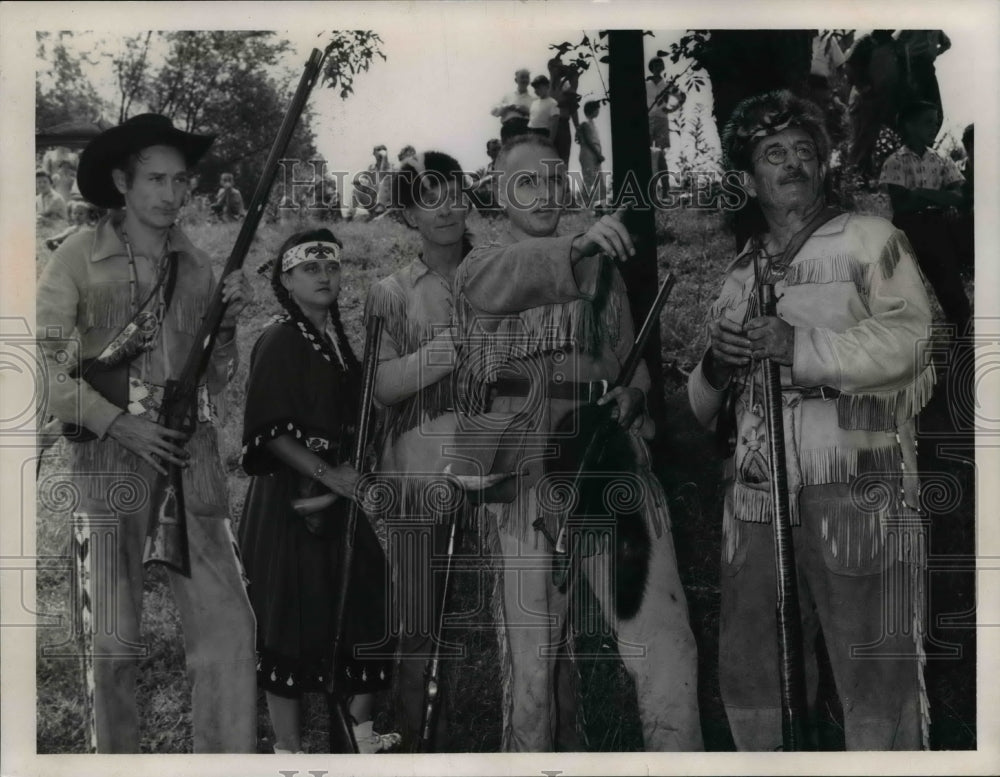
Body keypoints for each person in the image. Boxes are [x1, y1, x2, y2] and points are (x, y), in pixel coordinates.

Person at [689, 90, 935, 750]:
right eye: (774, 153)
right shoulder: (740, 273)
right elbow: (699, 405)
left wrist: (801, 350)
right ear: (747, 179)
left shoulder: (869, 239)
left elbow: (915, 342)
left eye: (804, 149)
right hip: (756, 496)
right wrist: (718, 363)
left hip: (856, 477)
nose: (794, 162)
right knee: (753, 671)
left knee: (874, 671)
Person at [452, 133, 704, 752]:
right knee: (532, 673)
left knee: (665, 648)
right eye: (526, 182)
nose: (544, 193)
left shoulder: (603, 273)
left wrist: (634, 395)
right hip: (525, 493)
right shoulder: (478, 267)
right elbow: (506, 283)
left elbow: (628, 361)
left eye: (554, 179)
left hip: (610, 477)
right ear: (497, 192)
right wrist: (580, 244)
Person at [35, 113, 257, 753]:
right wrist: (115, 422)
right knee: (112, 641)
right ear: (121, 183)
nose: (171, 193)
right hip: (109, 460)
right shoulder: (78, 256)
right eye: (156, 179)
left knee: (231, 633)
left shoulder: (199, 264)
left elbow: (216, 377)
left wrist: (231, 324)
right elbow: (36, 363)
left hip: (190, 459)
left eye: (181, 180)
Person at [238, 228, 399, 754]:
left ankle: (361, 734)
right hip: (288, 498)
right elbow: (269, 429)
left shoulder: (335, 338)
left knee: (363, 596)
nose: (325, 275)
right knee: (288, 618)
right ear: (287, 279)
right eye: (311, 268)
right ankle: (288, 751)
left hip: (339, 491)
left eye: (331, 266)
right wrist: (328, 475)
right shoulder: (280, 338)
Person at [363, 150, 474, 751]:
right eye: (429, 197)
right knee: (416, 618)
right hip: (418, 465)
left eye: (454, 191)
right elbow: (378, 386)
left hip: (504, 464)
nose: (448, 207)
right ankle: (411, 736)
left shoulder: (503, 272)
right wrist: (449, 352)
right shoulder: (390, 292)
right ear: (407, 214)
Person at [880, 100, 970, 335]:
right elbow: (902, 204)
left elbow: (960, 196)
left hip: (938, 229)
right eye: (928, 123)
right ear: (909, 126)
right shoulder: (895, 162)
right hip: (908, 231)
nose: (934, 128)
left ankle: (962, 351)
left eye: (936, 123)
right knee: (907, 294)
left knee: (953, 293)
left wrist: (921, 193)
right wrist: (942, 197)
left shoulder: (940, 159)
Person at [646, 57, 686, 152]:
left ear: (663, 67)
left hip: (662, 119)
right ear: (651, 68)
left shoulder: (667, 86)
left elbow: (682, 96)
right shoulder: (646, 84)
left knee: (661, 150)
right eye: (655, 65)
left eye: (660, 65)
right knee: (647, 149)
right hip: (648, 119)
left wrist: (671, 109)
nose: (658, 67)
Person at [576, 100, 606, 213]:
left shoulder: (592, 124)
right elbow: (588, 141)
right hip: (588, 154)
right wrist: (598, 154)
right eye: (597, 109)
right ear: (593, 110)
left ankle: (597, 206)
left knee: (597, 179)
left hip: (593, 154)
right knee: (589, 179)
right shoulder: (585, 124)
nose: (598, 111)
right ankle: (587, 207)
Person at [491, 68, 534, 142]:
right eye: (522, 77)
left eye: (527, 77)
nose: (524, 80)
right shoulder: (508, 96)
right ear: (516, 80)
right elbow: (494, 112)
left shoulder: (533, 99)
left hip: (526, 129)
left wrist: (527, 111)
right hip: (510, 129)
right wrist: (508, 106)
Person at [527, 75, 559, 142]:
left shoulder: (553, 103)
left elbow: (554, 124)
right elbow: (532, 120)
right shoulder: (534, 102)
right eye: (535, 88)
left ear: (547, 86)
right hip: (531, 133)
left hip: (543, 133)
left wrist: (551, 140)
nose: (536, 90)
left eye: (539, 87)